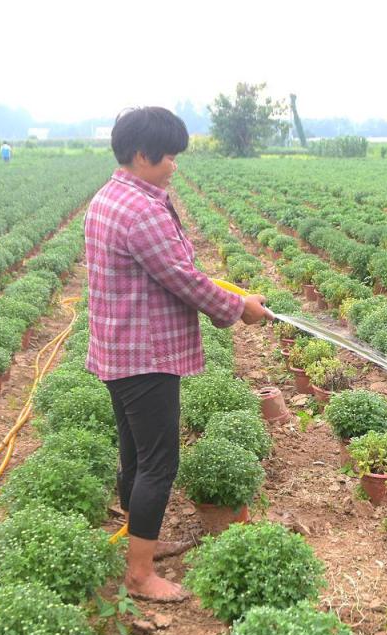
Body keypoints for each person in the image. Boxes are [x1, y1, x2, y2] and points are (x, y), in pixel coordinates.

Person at [85, 107, 270, 602]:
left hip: (118, 349)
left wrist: (227, 296)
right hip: (146, 355)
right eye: (168, 156)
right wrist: (239, 308)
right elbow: (184, 280)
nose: (174, 165)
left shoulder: (110, 196)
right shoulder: (142, 211)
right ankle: (140, 575)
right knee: (159, 464)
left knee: (136, 455)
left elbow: (174, 271)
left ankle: (138, 544)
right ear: (141, 155)